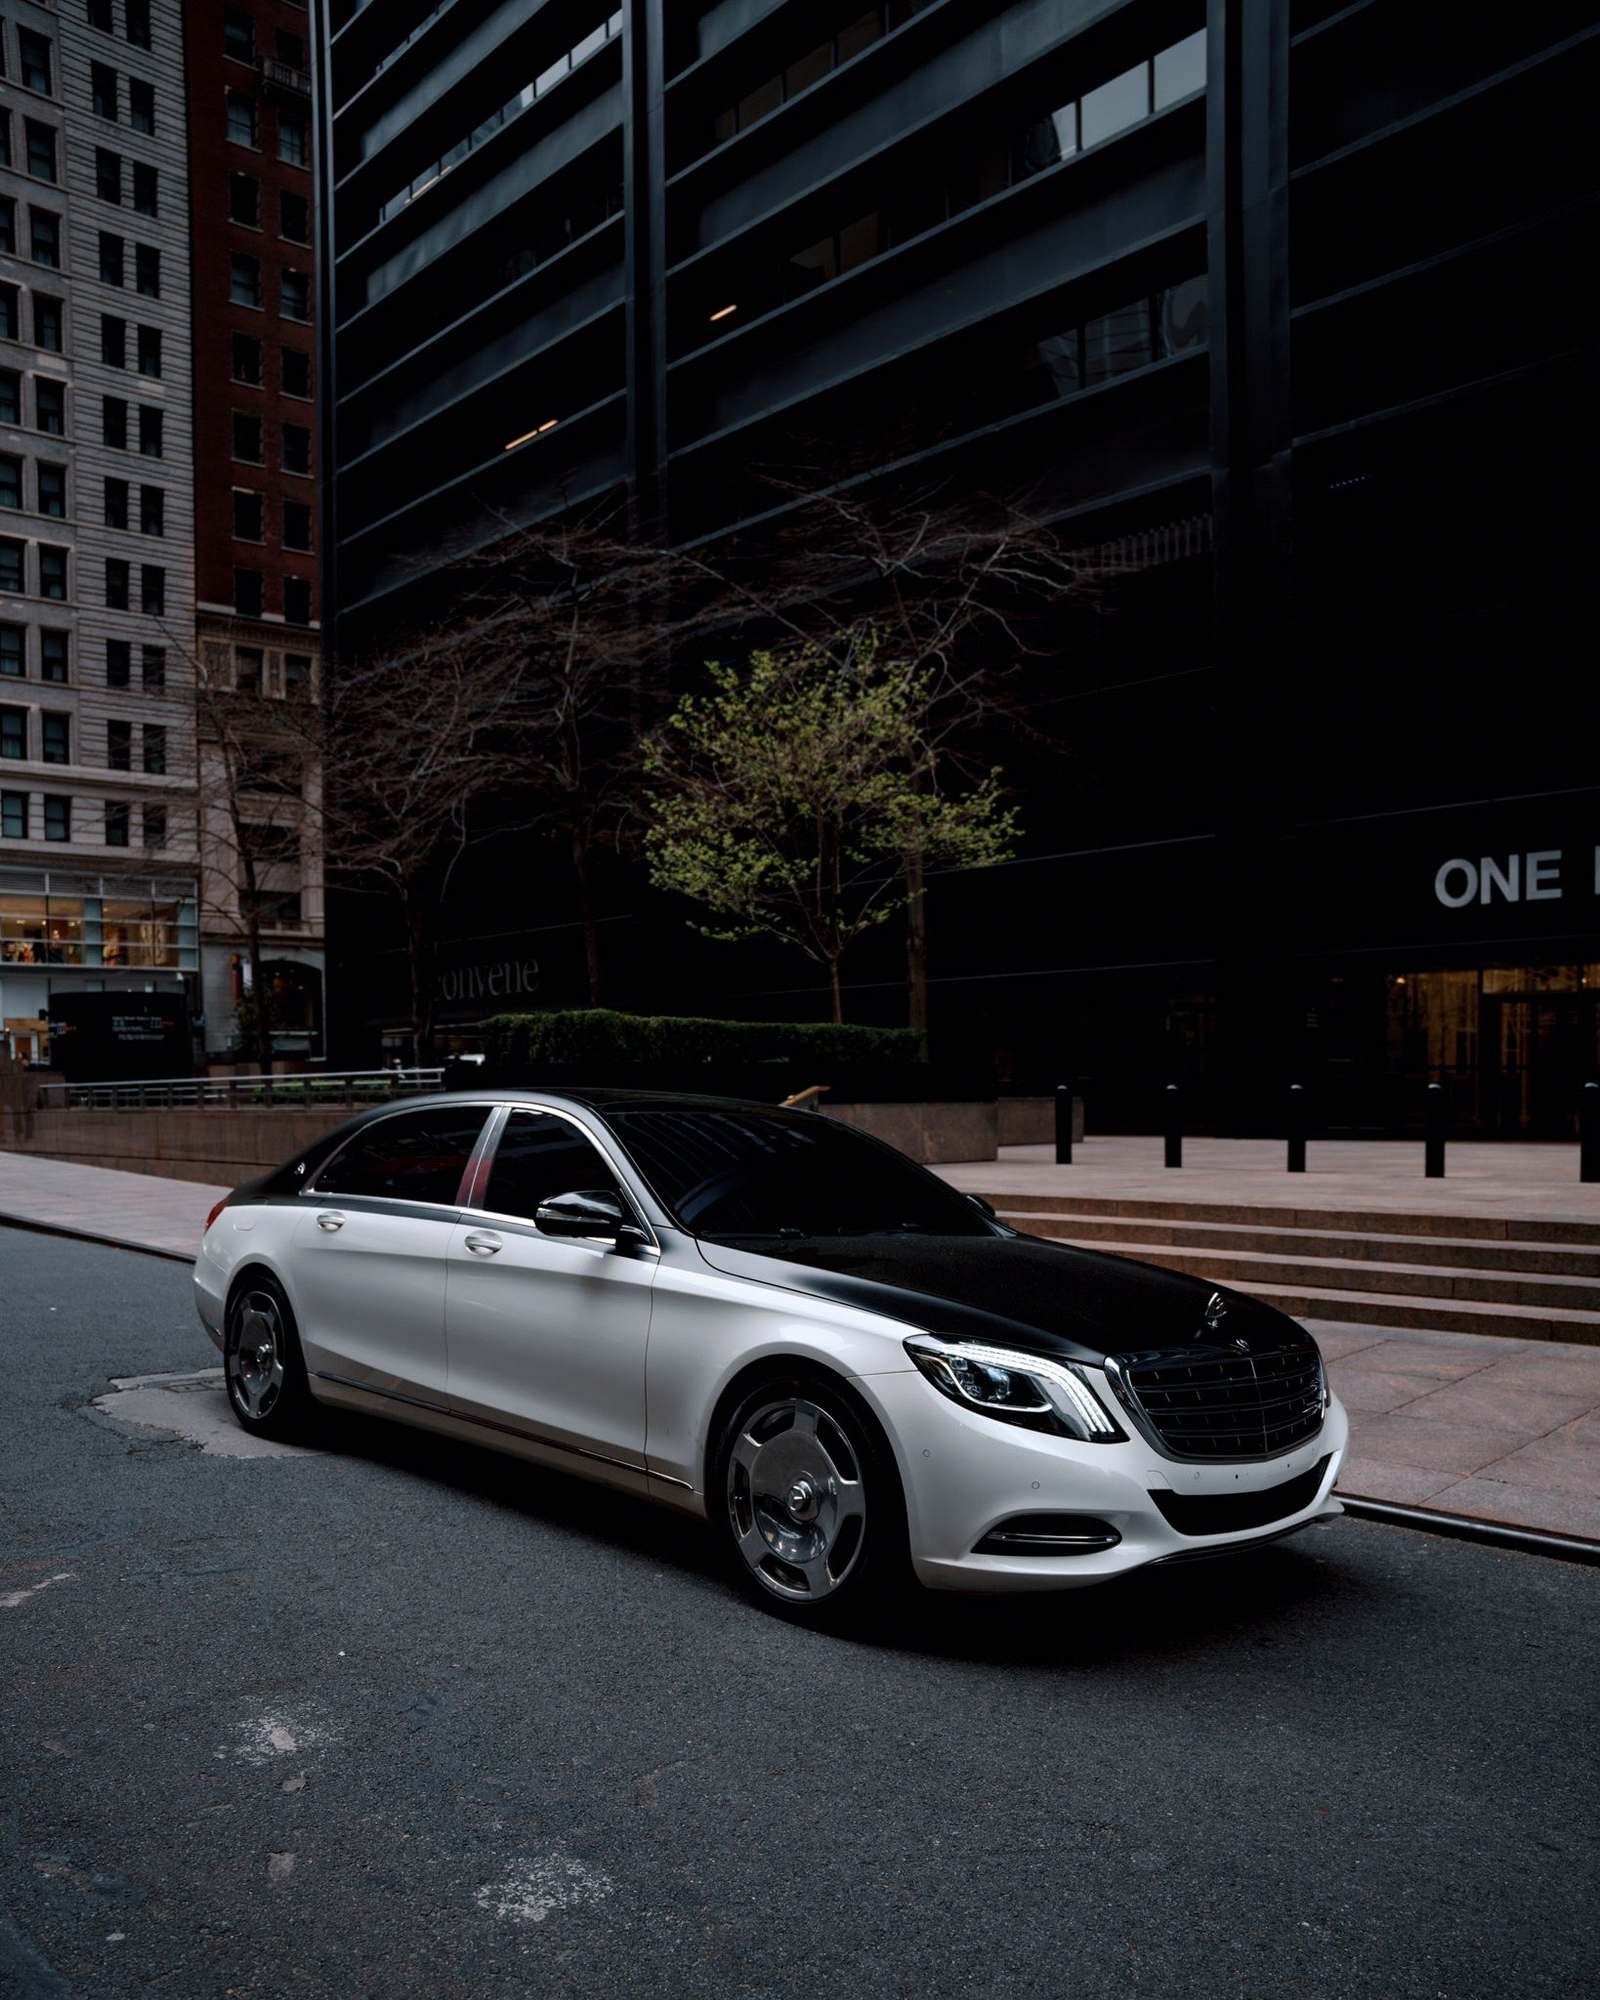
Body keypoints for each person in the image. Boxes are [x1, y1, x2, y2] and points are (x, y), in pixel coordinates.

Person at [0, 1046, 37, 1143]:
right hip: (13, 1093)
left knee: (18, 1113)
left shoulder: (16, 1066)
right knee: (17, 1113)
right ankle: (19, 1133)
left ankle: (20, 1133)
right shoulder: (14, 1066)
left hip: (15, 1093)